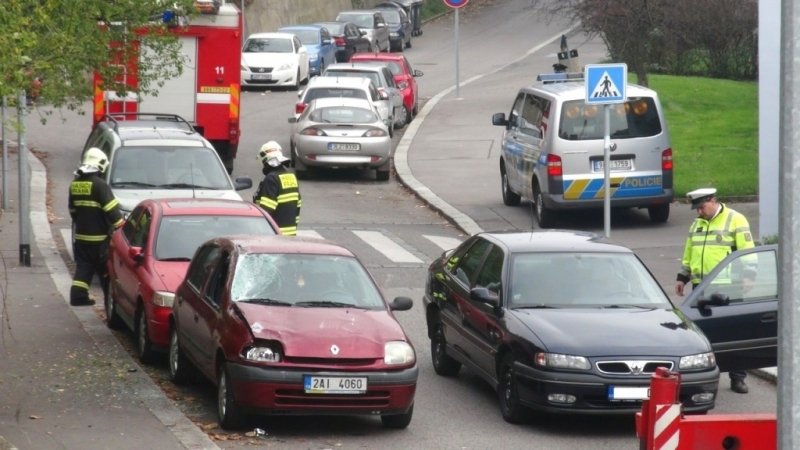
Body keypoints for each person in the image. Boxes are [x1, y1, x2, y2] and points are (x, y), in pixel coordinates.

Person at [674, 187, 754, 394]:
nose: (699, 212)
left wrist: (748, 277)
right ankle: (706, 377)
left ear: (712, 200)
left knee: (735, 333)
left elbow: (747, 251)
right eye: (696, 209)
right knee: (702, 334)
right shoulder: (697, 223)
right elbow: (689, 252)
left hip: (729, 286)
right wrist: (683, 277)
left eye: (701, 207)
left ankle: (738, 378)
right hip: (700, 286)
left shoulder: (736, 219)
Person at [68, 147, 124, 306]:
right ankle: (110, 305)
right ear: (100, 164)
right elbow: (113, 214)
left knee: (83, 268)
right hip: (99, 242)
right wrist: (123, 228)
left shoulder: (75, 185)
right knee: (106, 274)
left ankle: (78, 297)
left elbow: (73, 211)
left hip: (81, 238)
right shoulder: (100, 186)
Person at [252, 141, 301, 236]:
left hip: (274, 233)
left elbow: (267, 210)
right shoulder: (291, 176)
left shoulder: (271, 178)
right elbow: (298, 205)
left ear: (265, 160)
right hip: (290, 232)